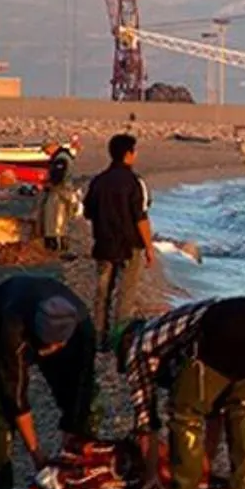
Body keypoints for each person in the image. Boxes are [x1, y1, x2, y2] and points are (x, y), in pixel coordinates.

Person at [112, 297, 245, 489]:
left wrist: (151, 477)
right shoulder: (173, 331)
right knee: (240, 410)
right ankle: (241, 483)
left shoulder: (138, 346)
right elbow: (214, 410)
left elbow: (146, 421)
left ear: (127, 340)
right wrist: (207, 462)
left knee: (185, 414)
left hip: (224, 326)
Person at [0, 275, 98, 489]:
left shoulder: (83, 331)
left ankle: (80, 469)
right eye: (47, 345)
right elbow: (16, 394)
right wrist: (36, 452)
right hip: (0, 310)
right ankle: (2, 486)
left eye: (57, 345)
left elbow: (82, 386)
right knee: (2, 405)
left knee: (80, 398)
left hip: (58, 320)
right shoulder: (12, 329)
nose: (50, 350)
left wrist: (70, 438)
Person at [81, 131, 160, 344]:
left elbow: (88, 212)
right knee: (126, 292)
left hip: (103, 242)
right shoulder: (135, 182)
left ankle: (99, 335)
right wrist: (149, 247)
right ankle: (119, 336)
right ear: (128, 154)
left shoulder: (98, 181)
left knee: (102, 291)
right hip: (130, 245)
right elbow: (141, 217)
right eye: (134, 151)